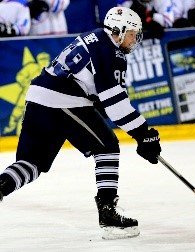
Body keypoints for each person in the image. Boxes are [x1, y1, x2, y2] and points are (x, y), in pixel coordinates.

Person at [0, 6, 161, 240]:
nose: (135, 38)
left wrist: (140, 133)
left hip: (38, 96)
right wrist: (143, 134)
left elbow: (98, 97)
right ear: (119, 30)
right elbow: (115, 103)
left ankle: (2, 185)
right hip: (62, 99)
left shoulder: (94, 37)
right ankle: (108, 214)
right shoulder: (111, 51)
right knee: (107, 147)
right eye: (132, 33)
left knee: (31, 163)